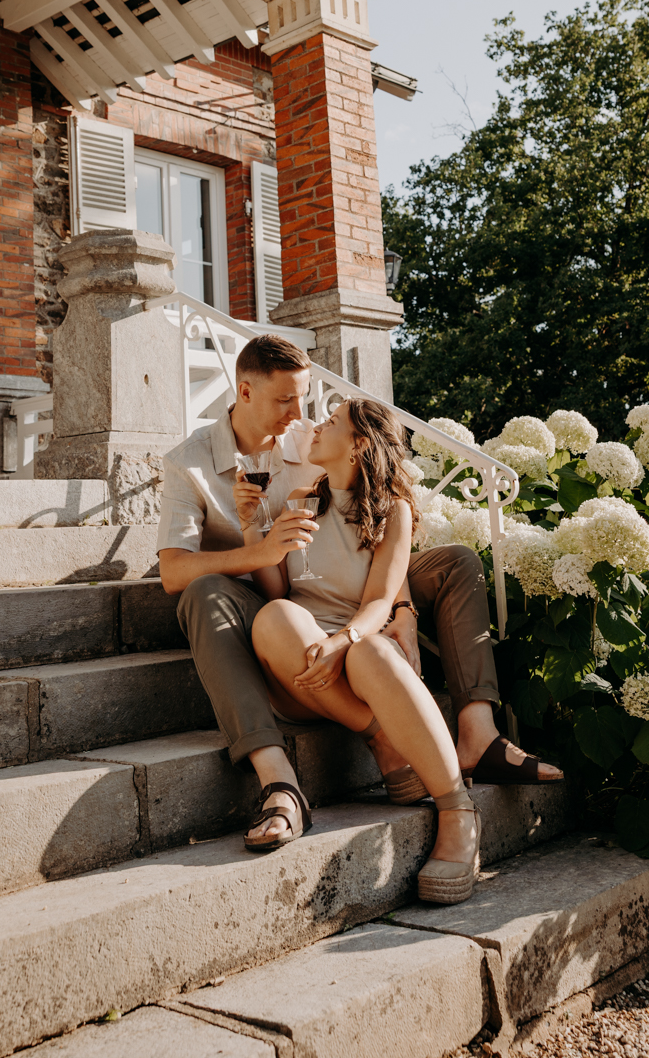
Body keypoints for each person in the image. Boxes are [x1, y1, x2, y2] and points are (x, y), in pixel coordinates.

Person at [158, 334, 560, 850]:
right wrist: (256, 543)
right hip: (273, 605)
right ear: (245, 392)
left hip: (350, 592)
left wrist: (402, 606)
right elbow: (174, 573)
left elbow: (375, 518)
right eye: (285, 400)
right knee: (207, 593)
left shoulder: (309, 438)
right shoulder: (188, 464)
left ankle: (477, 732)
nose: (300, 415)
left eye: (304, 400)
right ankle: (289, 775)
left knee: (457, 561)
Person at [246, 396, 480, 902]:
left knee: (370, 651)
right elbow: (278, 590)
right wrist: (253, 526)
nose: (317, 425)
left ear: (357, 445)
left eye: (331, 423)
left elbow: (379, 601)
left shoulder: (392, 511)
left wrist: (343, 640)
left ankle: (458, 810)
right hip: (303, 672)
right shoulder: (300, 501)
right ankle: (383, 739)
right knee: (274, 617)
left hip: (357, 659)